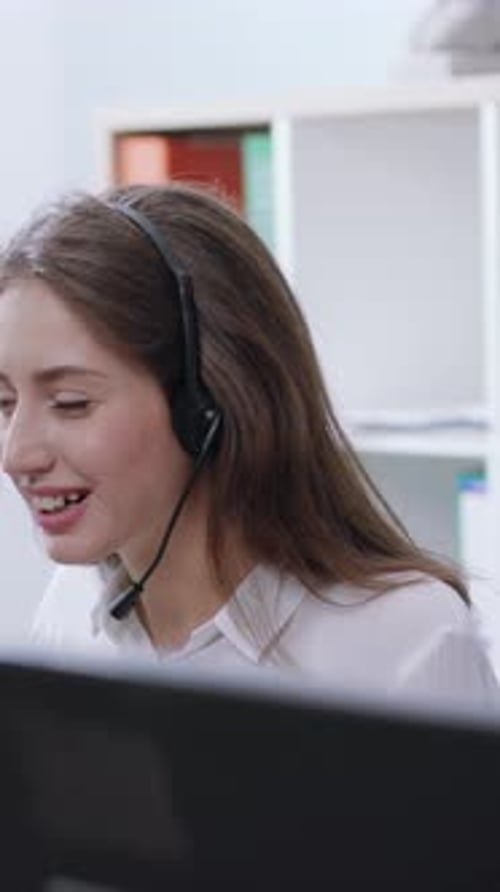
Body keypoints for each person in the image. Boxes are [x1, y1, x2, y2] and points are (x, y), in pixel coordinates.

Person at [0, 182, 497, 705]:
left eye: (72, 403)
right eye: (5, 404)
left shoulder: (407, 639)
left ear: (205, 402)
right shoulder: (73, 612)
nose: (16, 455)